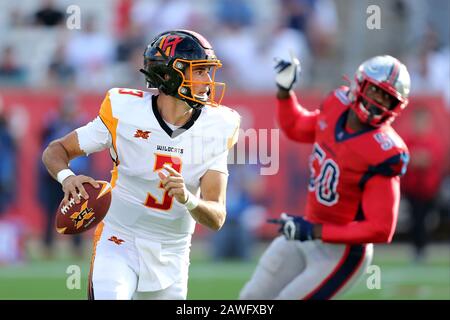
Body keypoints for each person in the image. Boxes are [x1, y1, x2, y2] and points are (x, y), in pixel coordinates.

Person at [42, 30, 240, 300]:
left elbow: (217, 216)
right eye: (200, 71)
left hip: (172, 254)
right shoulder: (124, 109)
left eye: (208, 71)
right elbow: (56, 150)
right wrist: (67, 177)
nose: (208, 81)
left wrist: (188, 199)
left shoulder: (219, 125)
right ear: (169, 74)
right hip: (118, 241)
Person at [240, 53, 410, 300]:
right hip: (306, 229)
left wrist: (315, 231)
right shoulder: (336, 104)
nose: (379, 103)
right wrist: (285, 92)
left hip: (340, 253)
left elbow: (381, 229)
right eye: (375, 91)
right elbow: (296, 127)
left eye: (387, 98)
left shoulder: (385, 151)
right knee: (250, 299)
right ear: (360, 84)